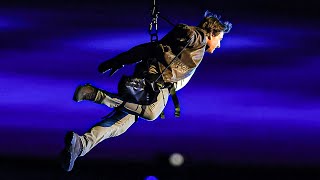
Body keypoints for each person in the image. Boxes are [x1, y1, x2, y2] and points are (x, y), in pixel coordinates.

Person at [60, 10, 232, 172]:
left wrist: (119, 60)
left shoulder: (186, 47)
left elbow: (149, 48)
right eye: (220, 39)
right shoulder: (199, 39)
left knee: (119, 125)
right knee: (151, 113)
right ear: (211, 33)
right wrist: (191, 32)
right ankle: (95, 94)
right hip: (157, 85)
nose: (219, 45)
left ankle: (81, 145)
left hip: (149, 79)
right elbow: (191, 34)